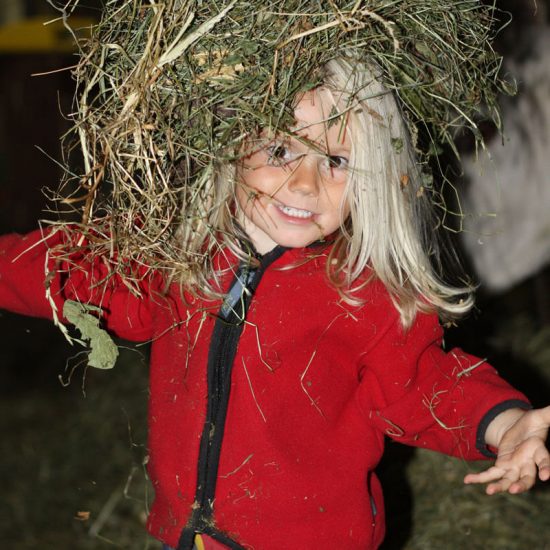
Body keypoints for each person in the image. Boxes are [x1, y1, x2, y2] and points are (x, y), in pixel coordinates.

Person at [1, 57, 549, 550]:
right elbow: (69, 266)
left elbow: (424, 383)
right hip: (190, 536)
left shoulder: (364, 293)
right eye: (281, 149)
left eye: (336, 160)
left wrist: (504, 424)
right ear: (226, 143)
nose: (305, 183)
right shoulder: (174, 257)